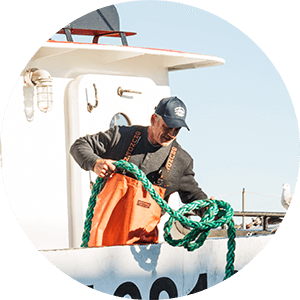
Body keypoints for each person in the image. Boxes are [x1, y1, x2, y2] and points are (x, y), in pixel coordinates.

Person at [70, 96, 208, 246]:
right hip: (100, 244)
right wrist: (95, 162)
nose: (171, 134)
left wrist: (210, 209)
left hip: (141, 252)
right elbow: (79, 146)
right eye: (168, 127)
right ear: (154, 119)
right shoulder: (121, 137)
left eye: (177, 130)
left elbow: (194, 196)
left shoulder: (181, 162)